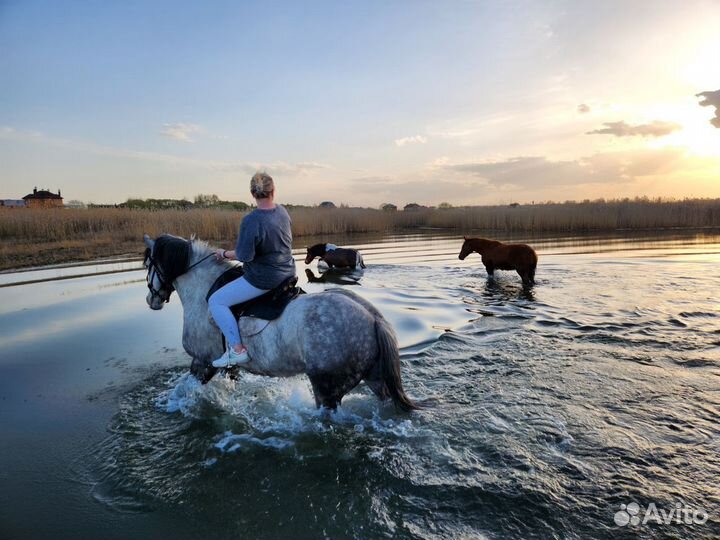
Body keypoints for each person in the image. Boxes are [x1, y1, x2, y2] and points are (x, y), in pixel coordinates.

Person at [209, 172, 296, 367]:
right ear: (273, 191)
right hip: (288, 271)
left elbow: (244, 256)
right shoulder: (282, 211)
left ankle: (237, 350)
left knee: (216, 301)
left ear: (252, 193)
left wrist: (223, 254)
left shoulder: (251, 220)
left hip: (264, 279)